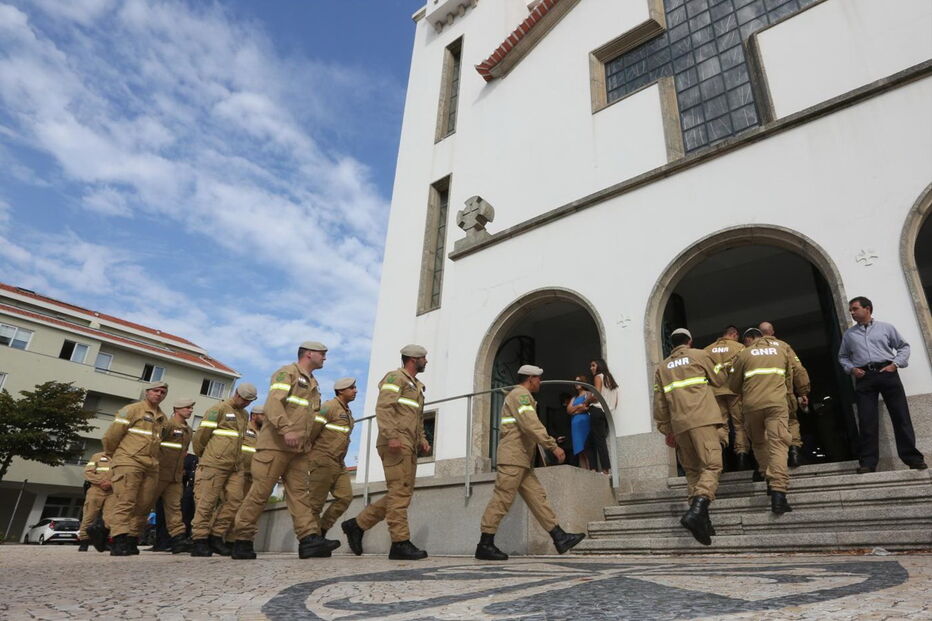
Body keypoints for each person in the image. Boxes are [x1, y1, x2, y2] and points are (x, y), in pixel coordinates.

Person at [231, 342, 336, 560]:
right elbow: (273, 404)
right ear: (309, 354)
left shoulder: (313, 383)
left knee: (300, 494)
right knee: (260, 493)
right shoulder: (286, 373)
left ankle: (308, 539)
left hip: (299, 449)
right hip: (275, 445)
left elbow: (307, 417)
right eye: (322, 354)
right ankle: (242, 539)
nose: (325, 358)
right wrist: (286, 429)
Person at [475, 364, 586, 561]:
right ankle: (485, 544)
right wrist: (552, 446)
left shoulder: (520, 395)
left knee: (537, 498)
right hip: (513, 458)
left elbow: (527, 428)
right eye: (538, 379)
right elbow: (531, 424)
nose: (540, 382)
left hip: (522, 459)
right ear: (531, 379)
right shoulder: (521, 395)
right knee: (502, 499)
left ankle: (559, 536)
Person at [342, 345, 432, 561]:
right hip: (395, 442)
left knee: (401, 493)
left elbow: (417, 417)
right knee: (400, 492)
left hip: (408, 443)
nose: (426, 361)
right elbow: (384, 407)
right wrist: (391, 435)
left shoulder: (416, 386)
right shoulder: (395, 378)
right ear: (413, 359)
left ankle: (357, 525)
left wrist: (422, 439)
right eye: (424, 358)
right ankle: (400, 542)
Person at [838, 296, 927, 473]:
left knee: (901, 416)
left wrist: (895, 364)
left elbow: (903, 347)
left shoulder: (886, 328)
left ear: (867, 309)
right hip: (864, 377)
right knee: (866, 420)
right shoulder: (849, 335)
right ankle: (868, 463)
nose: (852, 313)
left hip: (887, 373)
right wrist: (852, 369)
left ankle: (913, 458)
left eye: (855, 309)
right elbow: (843, 356)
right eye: (850, 310)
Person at [653, 328, 725, 545]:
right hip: (702, 420)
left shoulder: (662, 367)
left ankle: (704, 523)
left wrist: (667, 429)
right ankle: (698, 508)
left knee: (693, 472)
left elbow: (659, 404)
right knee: (712, 466)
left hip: (679, 425)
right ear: (689, 341)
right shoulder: (700, 355)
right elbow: (720, 379)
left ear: (672, 344)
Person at [730, 328, 794, 514]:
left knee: (759, 444)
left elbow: (733, 386)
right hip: (776, 404)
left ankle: (768, 479)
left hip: (752, 406)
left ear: (750, 339)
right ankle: (778, 493)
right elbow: (788, 378)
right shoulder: (781, 350)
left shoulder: (744, 354)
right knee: (778, 445)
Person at [101, 381, 168, 556]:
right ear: (147, 392)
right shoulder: (131, 410)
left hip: (151, 464)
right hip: (129, 460)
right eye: (155, 390)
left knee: (144, 504)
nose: (159, 394)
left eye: (162, 392)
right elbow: (112, 435)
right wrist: (115, 455)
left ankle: (132, 538)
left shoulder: (162, 417)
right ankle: (118, 539)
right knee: (126, 501)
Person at [190, 383, 257, 557]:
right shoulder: (217, 409)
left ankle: (216, 536)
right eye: (244, 399)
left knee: (235, 500)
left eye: (249, 401)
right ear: (237, 394)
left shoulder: (244, 415)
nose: (246, 403)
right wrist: (204, 456)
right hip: (214, 463)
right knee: (207, 502)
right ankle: (199, 539)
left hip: (235, 465)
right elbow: (201, 436)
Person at [305, 377, 357, 556]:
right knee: (315, 504)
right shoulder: (329, 407)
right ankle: (311, 541)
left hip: (339, 462)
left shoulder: (347, 412)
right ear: (341, 391)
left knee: (345, 497)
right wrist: (310, 453)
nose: (355, 390)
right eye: (351, 388)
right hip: (323, 459)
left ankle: (321, 531)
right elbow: (313, 430)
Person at [759, 321, 811, 468]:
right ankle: (794, 452)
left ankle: (773, 461)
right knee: (791, 422)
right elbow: (798, 369)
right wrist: (803, 391)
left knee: (767, 426)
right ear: (772, 332)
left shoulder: (753, 350)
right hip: (784, 393)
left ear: (759, 334)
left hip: (762, 396)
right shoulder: (784, 346)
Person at [147, 397, 194, 554]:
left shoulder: (188, 431)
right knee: (145, 503)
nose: (190, 410)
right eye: (187, 407)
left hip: (175, 476)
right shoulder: (166, 425)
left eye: (191, 408)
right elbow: (154, 444)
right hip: (159, 472)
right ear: (177, 409)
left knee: (174, 508)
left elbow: (184, 452)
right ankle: (126, 535)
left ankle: (177, 538)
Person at [704, 326, 749, 469]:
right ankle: (742, 457)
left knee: (720, 425)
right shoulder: (740, 347)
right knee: (739, 425)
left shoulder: (707, 350)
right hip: (735, 391)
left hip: (715, 392)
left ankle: (720, 457)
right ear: (734, 334)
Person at [77, 451, 114, 552]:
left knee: (110, 518)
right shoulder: (97, 456)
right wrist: (101, 481)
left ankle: (105, 541)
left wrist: (111, 483)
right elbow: (88, 472)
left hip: (112, 491)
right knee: (89, 516)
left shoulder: (121, 457)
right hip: (96, 489)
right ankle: (84, 541)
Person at [588, 358, 618, 474]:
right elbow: (616, 402)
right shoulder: (611, 380)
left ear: (599, 366)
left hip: (597, 411)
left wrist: (587, 400)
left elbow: (596, 396)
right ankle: (594, 470)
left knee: (599, 441)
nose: (591, 368)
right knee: (589, 442)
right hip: (606, 414)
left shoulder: (598, 377)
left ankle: (605, 470)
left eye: (593, 365)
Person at [566, 376, 593, 470]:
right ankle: (584, 471)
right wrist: (578, 407)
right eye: (575, 381)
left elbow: (585, 407)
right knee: (579, 450)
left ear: (583, 382)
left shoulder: (588, 394)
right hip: (575, 425)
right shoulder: (574, 397)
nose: (576, 383)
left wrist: (574, 410)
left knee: (586, 448)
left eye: (579, 381)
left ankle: (590, 470)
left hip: (584, 423)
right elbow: (568, 411)